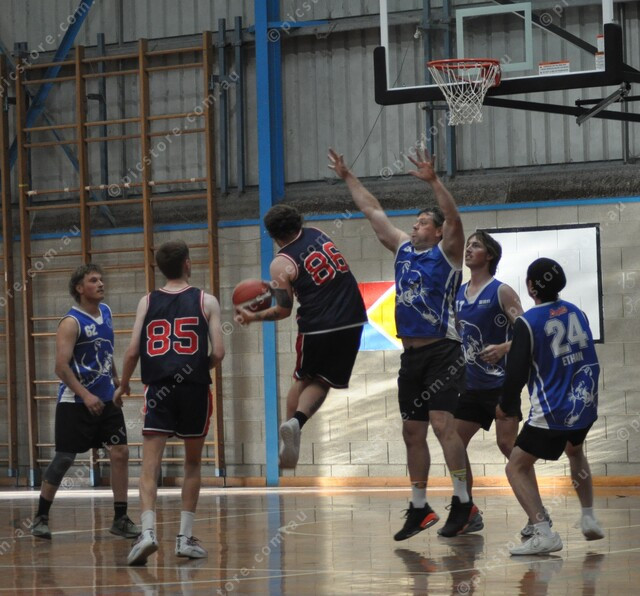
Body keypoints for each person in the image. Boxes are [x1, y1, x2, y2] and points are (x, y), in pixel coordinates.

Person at [329, 147, 478, 539]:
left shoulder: (448, 254)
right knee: (412, 433)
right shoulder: (403, 249)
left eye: (423, 222)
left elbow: (455, 218)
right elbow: (372, 210)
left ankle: (463, 501)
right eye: (414, 222)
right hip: (410, 356)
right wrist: (347, 176)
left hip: (443, 350)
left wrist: (434, 181)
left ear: (439, 232)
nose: (414, 226)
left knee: (443, 425)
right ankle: (419, 506)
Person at [116, 240, 225, 566]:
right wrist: (196, 369)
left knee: (150, 466)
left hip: (159, 389)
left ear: (160, 269)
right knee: (192, 464)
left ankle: (148, 532)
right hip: (194, 390)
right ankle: (184, 538)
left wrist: (123, 384)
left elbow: (133, 351)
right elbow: (219, 352)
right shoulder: (207, 300)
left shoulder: (147, 301)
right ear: (188, 264)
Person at [235, 204, 367, 469]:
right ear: (299, 221)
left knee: (303, 378)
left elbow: (283, 310)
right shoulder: (318, 233)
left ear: (273, 235)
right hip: (353, 318)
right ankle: (296, 423)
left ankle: (289, 432)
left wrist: (253, 316)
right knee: (324, 381)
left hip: (318, 325)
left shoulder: (281, 263)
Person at [497, 257, 604, 555]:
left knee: (516, 466)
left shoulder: (527, 322)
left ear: (531, 287)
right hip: (585, 405)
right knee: (575, 451)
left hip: (552, 410)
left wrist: (505, 406)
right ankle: (588, 516)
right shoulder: (577, 312)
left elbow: (516, 373)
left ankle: (543, 532)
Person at [31, 264, 140, 541]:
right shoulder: (71, 322)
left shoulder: (106, 312)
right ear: (80, 288)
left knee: (120, 452)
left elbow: (106, 352)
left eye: (101, 279)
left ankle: (120, 518)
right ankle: (40, 517)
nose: (101, 284)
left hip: (106, 399)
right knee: (64, 458)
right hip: (75, 402)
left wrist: (115, 379)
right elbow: (60, 367)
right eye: (93, 280)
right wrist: (85, 395)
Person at [450, 230, 524, 535]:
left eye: (476, 246)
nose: (468, 249)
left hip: (501, 385)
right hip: (471, 386)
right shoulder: (458, 293)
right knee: (453, 444)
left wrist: (504, 348)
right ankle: (466, 508)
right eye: (467, 245)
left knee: (507, 446)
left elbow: (528, 332)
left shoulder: (501, 291)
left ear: (489, 255)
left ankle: (538, 514)